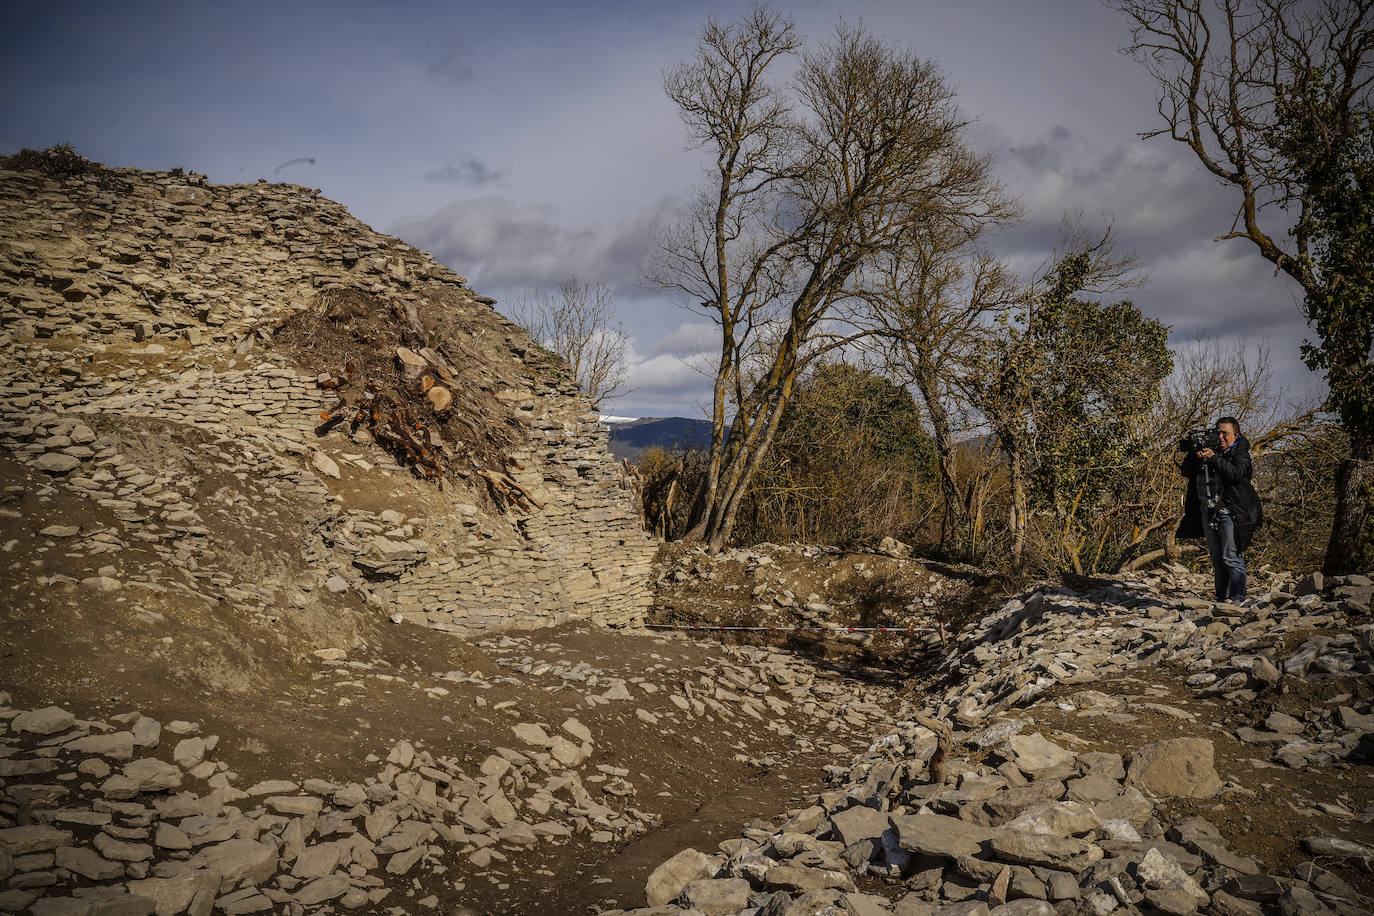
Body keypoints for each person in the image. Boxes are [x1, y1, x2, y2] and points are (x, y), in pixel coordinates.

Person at [1177, 416, 1263, 602]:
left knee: (1231, 557)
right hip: (1207, 512)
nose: (1222, 437)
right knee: (1217, 560)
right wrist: (1194, 454)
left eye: (1226, 433)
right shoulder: (1210, 450)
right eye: (1219, 433)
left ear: (1236, 435)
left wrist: (1214, 458)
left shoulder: (1240, 452)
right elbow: (1185, 471)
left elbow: (1238, 473)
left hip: (1229, 512)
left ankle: (1237, 598)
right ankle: (1221, 599)